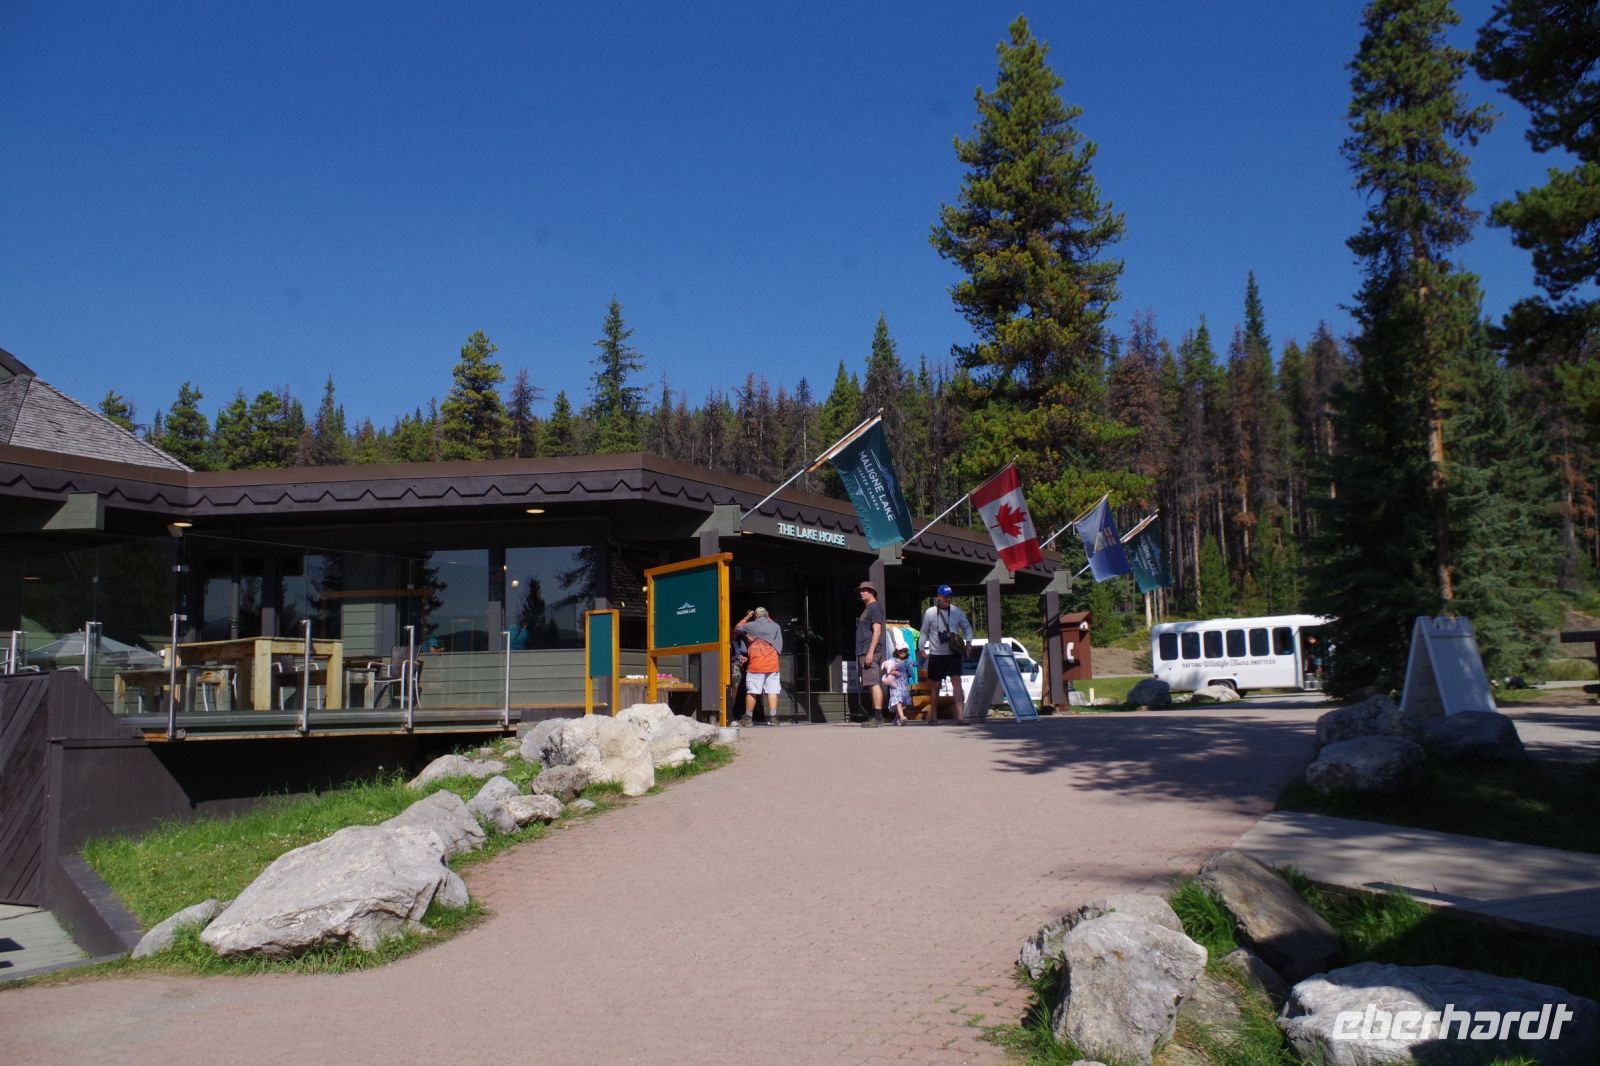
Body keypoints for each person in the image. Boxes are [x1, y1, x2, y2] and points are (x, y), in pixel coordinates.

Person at [919, 584, 973, 723]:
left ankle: (961, 717)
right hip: (936, 654)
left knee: (957, 682)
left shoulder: (956, 611)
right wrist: (921, 648)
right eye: (945, 596)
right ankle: (934, 717)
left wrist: (968, 643)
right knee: (935, 685)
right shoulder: (930, 612)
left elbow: (967, 627)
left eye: (949, 596)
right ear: (938, 597)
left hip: (953, 653)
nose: (948, 599)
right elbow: (924, 632)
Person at [735, 606, 783, 726]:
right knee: (773, 691)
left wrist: (747, 616)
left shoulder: (750, 626)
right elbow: (771, 623)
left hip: (756, 665)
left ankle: (748, 719)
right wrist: (768, 616)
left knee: (752, 692)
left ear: (756, 615)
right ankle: (773, 718)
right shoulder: (775, 626)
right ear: (767, 615)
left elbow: (737, 628)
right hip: (772, 665)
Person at [854, 580, 888, 726]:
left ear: (872, 592)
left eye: (865, 590)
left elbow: (877, 631)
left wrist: (870, 652)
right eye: (860, 590)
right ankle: (876, 715)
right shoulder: (869, 607)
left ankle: (878, 716)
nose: (862, 592)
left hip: (870, 651)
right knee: (870, 683)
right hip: (864, 650)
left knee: (873, 683)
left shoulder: (874, 607)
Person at [883, 644, 912, 725]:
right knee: (898, 699)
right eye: (900, 650)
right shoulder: (892, 660)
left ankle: (896, 719)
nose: (903, 652)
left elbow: (909, 672)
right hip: (895, 683)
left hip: (904, 683)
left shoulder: (907, 661)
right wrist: (893, 672)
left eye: (905, 651)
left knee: (903, 702)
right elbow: (886, 669)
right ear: (896, 651)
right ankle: (902, 717)